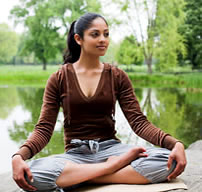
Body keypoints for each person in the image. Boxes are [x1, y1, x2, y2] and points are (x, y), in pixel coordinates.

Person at [12, 12, 187, 192]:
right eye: (95, 34)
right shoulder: (59, 78)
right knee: (30, 174)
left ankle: (80, 178)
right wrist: (19, 156)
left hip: (112, 149)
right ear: (79, 39)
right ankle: (109, 170)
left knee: (168, 160)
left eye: (106, 34)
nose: (103, 39)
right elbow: (44, 128)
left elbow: (139, 123)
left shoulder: (117, 76)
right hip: (76, 155)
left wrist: (176, 144)